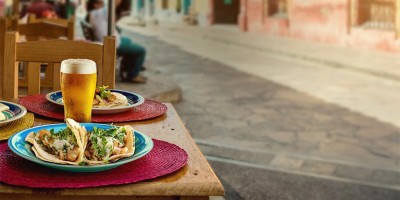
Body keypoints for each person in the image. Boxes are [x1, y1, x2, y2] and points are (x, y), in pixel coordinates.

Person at [87, 0, 147, 83]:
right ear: (95, 5)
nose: (103, 4)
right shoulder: (101, 12)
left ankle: (131, 64)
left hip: (108, 40)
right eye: (100, 3)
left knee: (128, 40)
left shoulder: (92, 14)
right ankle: (133, 75)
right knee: (141, 50)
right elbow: (113, 5)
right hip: (113, 44)